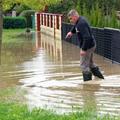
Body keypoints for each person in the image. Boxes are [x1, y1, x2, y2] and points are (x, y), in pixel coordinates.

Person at [66, 9, 104, 81]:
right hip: (91, 45)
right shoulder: (79, 21)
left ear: (74, 16)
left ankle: (87, 85)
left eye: (71, 18)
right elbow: (75, 27)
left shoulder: (81, 23)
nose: (70, 20)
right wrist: (71, 32)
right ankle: (100, 78)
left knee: (83, 65)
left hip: (88, 46)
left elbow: (87, 37)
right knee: (90, 63)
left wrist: (83, 49)